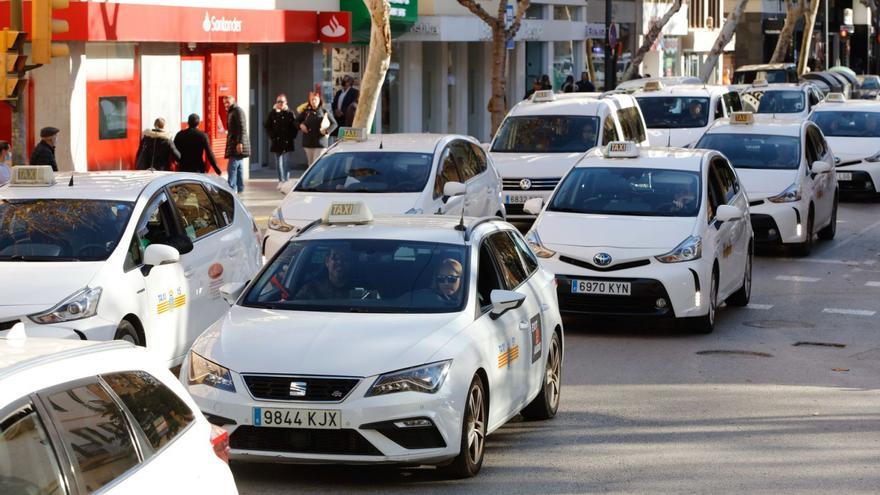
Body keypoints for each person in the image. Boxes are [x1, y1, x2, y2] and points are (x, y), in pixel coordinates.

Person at [297, 91, 338, 168]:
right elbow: (296, 122)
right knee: (310, 165)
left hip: (320, 143)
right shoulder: (306, 112)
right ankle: (312, 180)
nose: (313, 101)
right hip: (308, 143)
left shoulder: (324, 111)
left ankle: (318, 180)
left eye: (315, 99)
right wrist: (301, 125)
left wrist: (326, 131)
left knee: (317, 165)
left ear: (319, 100)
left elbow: (334, 124)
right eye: (312, 99)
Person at [264, 93, 297, 182]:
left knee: (286, 163)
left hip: (287, 141)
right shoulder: (272, 113)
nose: (280, 104)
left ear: (286, 102)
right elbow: (267, 126)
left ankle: (286, 180)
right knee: (279, 163)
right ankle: (281, 180)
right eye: (278, 102)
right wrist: (272, 136)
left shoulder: (290, 113)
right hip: (277, 141)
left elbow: (295, 127)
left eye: (282, 102)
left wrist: (292, 136)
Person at [223, 95, 250, 193]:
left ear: (233, 102)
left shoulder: (237, 111)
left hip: (236, 144)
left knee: (232, 167)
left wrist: (239, 143)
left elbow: (242, 127)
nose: (226, 104)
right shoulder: (232, 112)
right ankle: (240, 187)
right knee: (239, 166)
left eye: (227, 102)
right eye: (224, 103)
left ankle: (231, 188)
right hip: (234, 143)